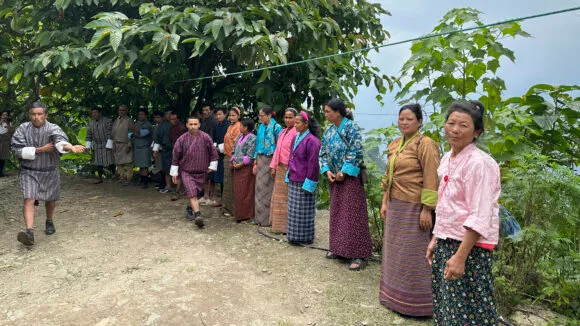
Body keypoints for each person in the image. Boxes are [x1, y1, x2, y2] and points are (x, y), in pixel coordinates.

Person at [426, 101, 501, 325]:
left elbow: (480, 214)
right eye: (451, 123)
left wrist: (460, 257)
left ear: (477, 132)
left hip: (470, 248)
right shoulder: (448, 158)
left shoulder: (480, 164)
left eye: (464, 125)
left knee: (471, 311)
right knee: (447, 306)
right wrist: (435, 239)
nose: (455, 129)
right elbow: (446, 204)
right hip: (447, 242)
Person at [378, 104, 440, 317]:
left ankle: (418, 306)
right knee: (396, 253)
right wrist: (385, 202)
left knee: (415, 254)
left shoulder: (426, 144)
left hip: (415, 207)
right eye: (401, 119)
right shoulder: (395, 144)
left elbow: (432, 177)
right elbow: (388, 177)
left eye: (409, 119)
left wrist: (427, 209)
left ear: (420, 121)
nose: (404, 123)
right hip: (395, 205)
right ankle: (394, 298)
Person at [11, 101, 85, 245]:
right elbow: (16, 150)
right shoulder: (22, 129)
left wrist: (70, 147)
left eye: (39, 114)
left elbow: (60, 141)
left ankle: (49, 220)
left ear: (46, 115)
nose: (36, 117)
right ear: (29, 114)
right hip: (29, 171)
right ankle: (29, 232)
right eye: (33, 114)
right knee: (29, 199)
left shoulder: (53, 128)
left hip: (49, 170)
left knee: (50, 199)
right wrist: (40, 149)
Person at [319, 99, 372, 271]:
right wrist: (327, 171)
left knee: (352, 215)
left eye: (328, 111)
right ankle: (338, 248)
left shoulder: (351, 127)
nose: (326, 115)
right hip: (335, 177)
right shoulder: (328, 131)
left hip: (349, 178)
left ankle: (358, 254)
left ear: (338, 112)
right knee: (337, 213)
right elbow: (323, 153)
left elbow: (356, 150)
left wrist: (344, 171)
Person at [170, 116, 218, 228]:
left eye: (195, 124)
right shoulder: (181, 139)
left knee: (194, 193)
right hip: (186, 171)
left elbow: (213, 153)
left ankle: (189, 208)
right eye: (190, 124)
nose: (193, 126)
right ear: (187, 125)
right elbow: (175, 156)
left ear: (199, 125)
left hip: (202, 171)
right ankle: (198, 215)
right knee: (191, 192)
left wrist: (212, 165)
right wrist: (174, 172)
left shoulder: (206, 138)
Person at [286, 111, 321, 245]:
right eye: (294, 122)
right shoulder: (296, 138)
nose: (295, 125)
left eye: (297, 123)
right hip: (294, 177)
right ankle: (293, 236)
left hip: (304, 180)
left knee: (304, 210)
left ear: (306, 124)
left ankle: (305, 237)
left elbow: (313, 164)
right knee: (294, 210)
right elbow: (291, 157)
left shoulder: (313, 141)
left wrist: (309, 183)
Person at [269, 108, 298, 233]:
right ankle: (277, 226)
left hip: (289, 168)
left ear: (296, 118)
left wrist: (291, 168)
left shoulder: (297, 133)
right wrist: (273, 166)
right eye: (286, 117)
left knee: (287, 198)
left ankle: (287, 227)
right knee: (278, 197)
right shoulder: (283, 132)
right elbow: (277, 150)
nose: (287, 120)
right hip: (280, 167)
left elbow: (295, 153)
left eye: (290, 117)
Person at [253, 105, 282, 226]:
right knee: (259, 189)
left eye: (262, 115)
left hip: (271, 159)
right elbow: (257, 144)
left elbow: (279, 147)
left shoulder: (277, 127)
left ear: (269, 115)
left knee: (269, 189)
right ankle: (259, 218)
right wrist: (255, 161)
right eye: (259, 115)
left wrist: (275, 165)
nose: (260, 118)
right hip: (260, 159)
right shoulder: (260, 127)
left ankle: (268, 220)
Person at [231, 118, 256, 223]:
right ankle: (239, 214)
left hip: (245, 169)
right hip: (236, 168)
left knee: (246, 192)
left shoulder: (253, 138)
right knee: (238, 192)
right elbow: (234, 150)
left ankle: (246, 215)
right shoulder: (240, 136)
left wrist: (240, 164)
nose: (239, 127)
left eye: (241, 125)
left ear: (246, 127)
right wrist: (233, 162)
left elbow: (250, 155)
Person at [222, 106, 242, 217]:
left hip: (233, 157)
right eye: (230, 115)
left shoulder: (238, 127)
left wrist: (233, 157)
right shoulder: (230, 126)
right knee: (227, 183)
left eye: (233, 115)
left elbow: (237, 144)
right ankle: (226, 207)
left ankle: (233, 209)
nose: (231, 117)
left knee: (232, 183)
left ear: (238, 116)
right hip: (226, 155)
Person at [85, 107, 114, 184]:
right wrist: (88, 147)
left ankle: (114, 175)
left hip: (107, 144)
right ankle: (100, 178)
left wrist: (110, 145)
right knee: (98, 163)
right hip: (97, 145)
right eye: (92, 113)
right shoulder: (91, 124)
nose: (94, 114)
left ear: (100, 113)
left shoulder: (107, 121)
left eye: (95, 112)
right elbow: (88, 136)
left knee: (110, 161)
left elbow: (110, 134)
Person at [210, 106, 230, 207]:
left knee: (226, 178)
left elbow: (229, 141)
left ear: (225, 115)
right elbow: (214, 138)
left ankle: (225, 201)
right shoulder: (217, 126)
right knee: (221, 179)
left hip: (227, 154)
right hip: (218, 154)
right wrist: (214, 148)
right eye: (216, 115)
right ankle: (222, 199)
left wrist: (220, 148)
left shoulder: (228, 126)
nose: (218, 116)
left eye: (220, 114)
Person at [199, 104, 218, 205]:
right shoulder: (204, 121)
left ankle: (212, 196)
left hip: (212, 150)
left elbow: (213, 137)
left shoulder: (214, 121)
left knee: (212, 175)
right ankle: (205, 195)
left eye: (207, 110)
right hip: (203, 151)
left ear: (211, 111)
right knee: (206, 174)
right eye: (204, 110)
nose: (205, 112)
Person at [112, 104, 134, 186]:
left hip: (125, 144)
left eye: (123, 110)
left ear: (126, 111)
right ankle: (122, 178)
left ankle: (129, 179)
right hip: (117, 144)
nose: (121, 111)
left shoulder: (129, 120)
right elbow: (113, 133)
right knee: (118, 163)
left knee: (128, 163)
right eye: (120, 110)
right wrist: (113, 144)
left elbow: (131, 134)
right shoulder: (116, 120)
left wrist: (129, 145)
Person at [167, 111, 187, 200]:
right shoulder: (171, 128)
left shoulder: (182, 127)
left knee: (182, 171)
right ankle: (179, 190)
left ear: (178, 119)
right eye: (171, 119)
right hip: (175, 150)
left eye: (174, 119)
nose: (173, 121)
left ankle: (178, 191)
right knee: (177, 171)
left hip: (184, 152)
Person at [132, 108, 153, 188]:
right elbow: (130, 134)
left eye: (142, 114)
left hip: (145, 147)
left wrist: (134, 132)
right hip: (137, 147)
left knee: (145, 166)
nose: (140, 116)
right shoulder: (137, 123)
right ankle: (141, 180)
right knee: (140, 166)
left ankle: (145, 182)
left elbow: (142, 134)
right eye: (139, 114)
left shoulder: (148, 124)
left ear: (146, 115)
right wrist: (134, 132)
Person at [153, 108, 173, 193]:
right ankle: (167, 186)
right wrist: (155, 150)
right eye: (167, 114)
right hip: (165, 149)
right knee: (166, 168)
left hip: (176, 149)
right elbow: (157, 139)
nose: (169, 116)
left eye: (170, 114)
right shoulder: (161, 125)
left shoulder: (177, 124)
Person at [150, 110, 165, 188]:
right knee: (159, 166)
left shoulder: (164, 126)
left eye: (158, 117)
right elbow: (154, 139)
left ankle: (164, 183)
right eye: (155, 117)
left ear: (162, 118)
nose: (156, 119)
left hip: (162, 148)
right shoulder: (156, 126)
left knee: (162, 167)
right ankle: (161, 182)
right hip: (157, 148)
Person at [0, 110, 12, 177]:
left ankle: (1, 172)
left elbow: (10, 131)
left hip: (5, 141)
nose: (5, 116)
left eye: (6, 115)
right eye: (4, 115)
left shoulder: (8, 122)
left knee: (3, 157)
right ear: (1, 116)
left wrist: (8, 123)